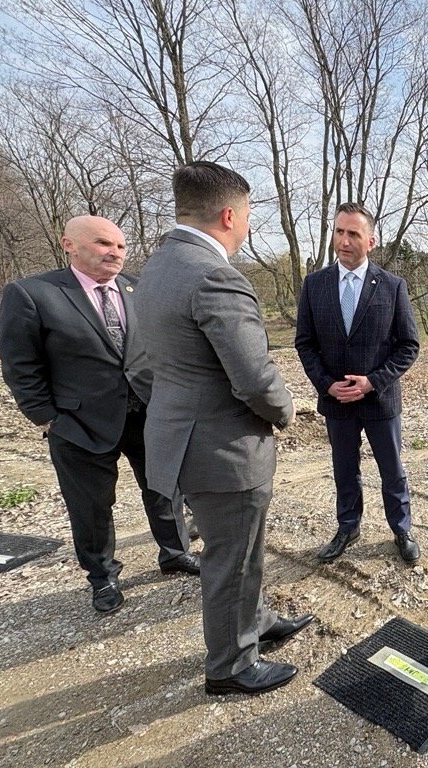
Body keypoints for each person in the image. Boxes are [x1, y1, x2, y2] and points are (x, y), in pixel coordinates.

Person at [135, 161, 313, 696]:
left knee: (240, 547)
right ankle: (231, 667)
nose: (251, 225)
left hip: (182, 440)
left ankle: (255, 622)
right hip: (225, 449)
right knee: (231, 558)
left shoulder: (156, 269)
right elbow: (254, 376)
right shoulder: (215, 276)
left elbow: (143, 368)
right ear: (230, 214)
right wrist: (286, 411)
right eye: (252, 214)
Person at [0, 215, 199, 615]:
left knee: (164, 489)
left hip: (146, 414)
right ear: (69, 244)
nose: (115, 253)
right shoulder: (33, 293)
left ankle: (174, 552)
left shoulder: (136, 288)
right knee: (90, 507)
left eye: (121, 246)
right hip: (79, 423)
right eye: (104, 243)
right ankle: (103, 576)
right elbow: (20, 363)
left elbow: (153, 351)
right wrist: (46, 416)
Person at [295, 202, 421, 564]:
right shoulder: (315, 285)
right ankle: (348, 526)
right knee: (344, 468)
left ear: (371, 241)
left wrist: (373, 382)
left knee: (392, 469)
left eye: (353, 234)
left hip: (379, 401)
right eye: (339, 231)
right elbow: (305, 343)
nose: (344, 240)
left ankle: (401, 528)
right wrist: (326, 385)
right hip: (337, 401)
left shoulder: (393, 286)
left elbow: (409, 345)